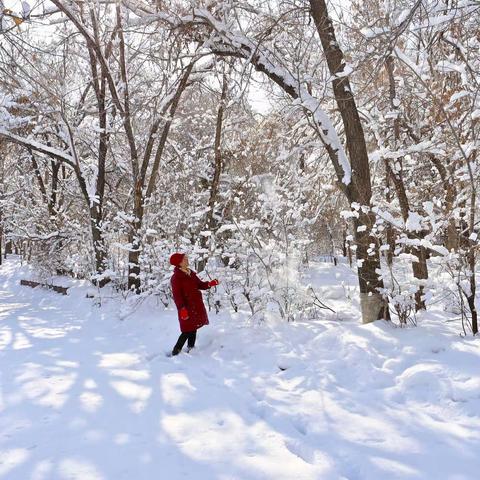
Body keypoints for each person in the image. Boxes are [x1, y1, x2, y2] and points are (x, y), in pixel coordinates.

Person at [169, 253, 219, 356]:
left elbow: (200, 285)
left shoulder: (191, 273)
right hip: (186, 307)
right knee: (187, 330)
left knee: (193, 327)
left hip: (196, 305)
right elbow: (177, 296)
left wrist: (210, 284)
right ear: (179, 263)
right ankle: (176, 351)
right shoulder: (176, 278)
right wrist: (182, 309)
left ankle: (191, 348)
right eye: (185, 259)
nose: (187, 260)